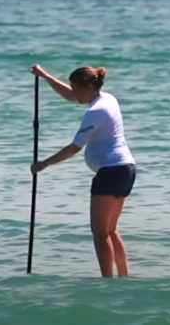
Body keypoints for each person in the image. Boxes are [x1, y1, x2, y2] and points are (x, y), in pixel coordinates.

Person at [29, 64, 137, 278]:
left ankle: (107, 281)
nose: (73, 93)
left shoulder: (96, 111)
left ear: (86, 86)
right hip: (126, 169)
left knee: (99, 233)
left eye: (75, 88)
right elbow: (71, 96)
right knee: (110, 230)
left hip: (110, 172)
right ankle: (124, 278)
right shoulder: (108, 99)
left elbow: (74, 148)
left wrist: (44, 164)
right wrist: (46, 76)